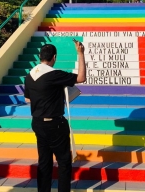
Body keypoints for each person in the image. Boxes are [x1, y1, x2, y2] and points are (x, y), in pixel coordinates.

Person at [24, 42, 86, 192]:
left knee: (44, 163)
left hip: (38, 123)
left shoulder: (29, 75)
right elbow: (81, 78)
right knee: (64, 162)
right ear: (54, 57)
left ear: (40, 57)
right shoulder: (54, 74)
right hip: (55, 125)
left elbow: (28, 99)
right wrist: (80, 53)